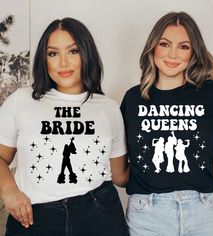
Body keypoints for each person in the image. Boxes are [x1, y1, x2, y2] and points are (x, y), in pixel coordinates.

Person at [0, 17, 129, 236]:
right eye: (53, 53)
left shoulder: (108, 108)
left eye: (73, 51)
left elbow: (120, 176)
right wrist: (9, 190)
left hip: (99, 214)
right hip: (34, 218)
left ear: (86, 54)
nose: (63, 63)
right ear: (44, 58)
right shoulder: (22, 100)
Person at [120, 12, 213, 236]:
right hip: (147, 215)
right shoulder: (133, 99)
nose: (173, 54)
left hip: (206, 211)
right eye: (165, 44)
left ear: (194, 52)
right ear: (152, 47)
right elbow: (116, 152)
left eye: (184, 46)